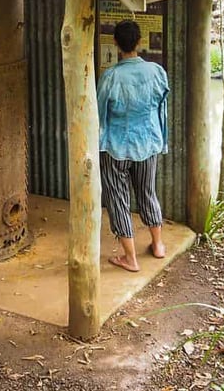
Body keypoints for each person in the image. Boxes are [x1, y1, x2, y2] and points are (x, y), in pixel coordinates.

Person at [97, 19, 170, 272]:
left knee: (118, 198)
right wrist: (161, 139)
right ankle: (157, 245)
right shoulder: (156, 72)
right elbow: (161, 108)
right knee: (147, 192)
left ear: (115, 43)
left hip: (115, 146)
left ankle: (130, 258)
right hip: (148, 143)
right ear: (140, 42)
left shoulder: (110, 76)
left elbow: (99, 113)